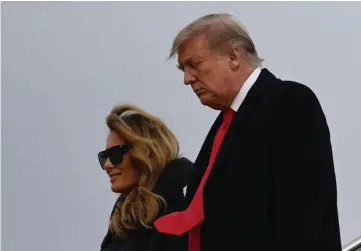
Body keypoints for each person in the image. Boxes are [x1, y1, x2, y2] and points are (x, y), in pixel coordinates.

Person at [154, 13, 342, 251]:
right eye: (183, 69)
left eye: (194, 64)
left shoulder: (289, 102)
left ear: (234, 56)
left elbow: (301, 213)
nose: (187, 79)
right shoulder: (224, 126)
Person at [99, 104, 191, 251]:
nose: (107, 165)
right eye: (104, 157)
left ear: (145, 153)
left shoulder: (180, 213)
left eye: (115, 155)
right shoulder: (123, 221)